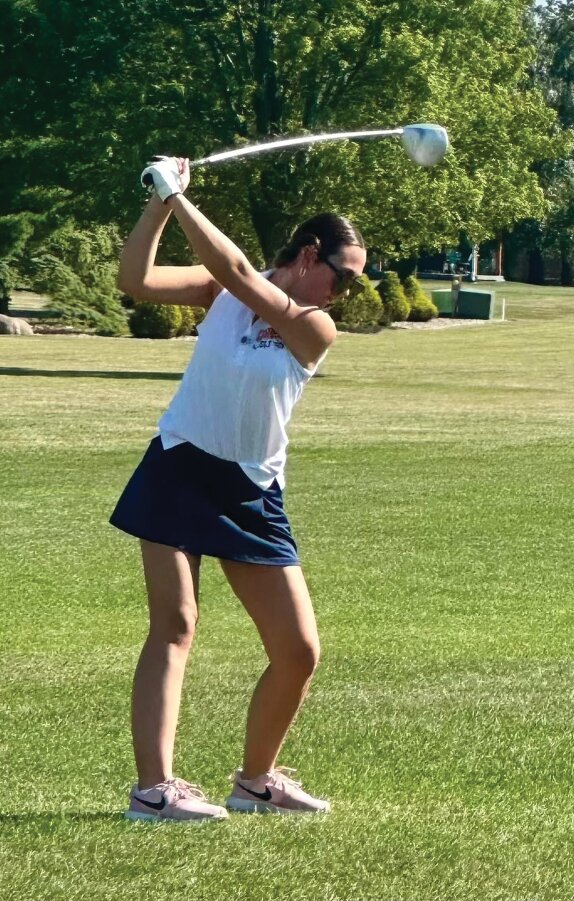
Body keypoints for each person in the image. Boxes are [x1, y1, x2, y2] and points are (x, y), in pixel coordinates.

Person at [110, 156, 367, 821]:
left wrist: (181, 197)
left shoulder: (313, 326)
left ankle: (255, 780)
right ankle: (154, 788)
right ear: (309, 254)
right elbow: (134, 279)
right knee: (174, 623)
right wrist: (161, 202)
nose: (346, 293)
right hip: (178, 465)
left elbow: (240, 274)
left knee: (298, 650)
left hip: (251, 491)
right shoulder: (220, 292)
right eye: (343, 277)